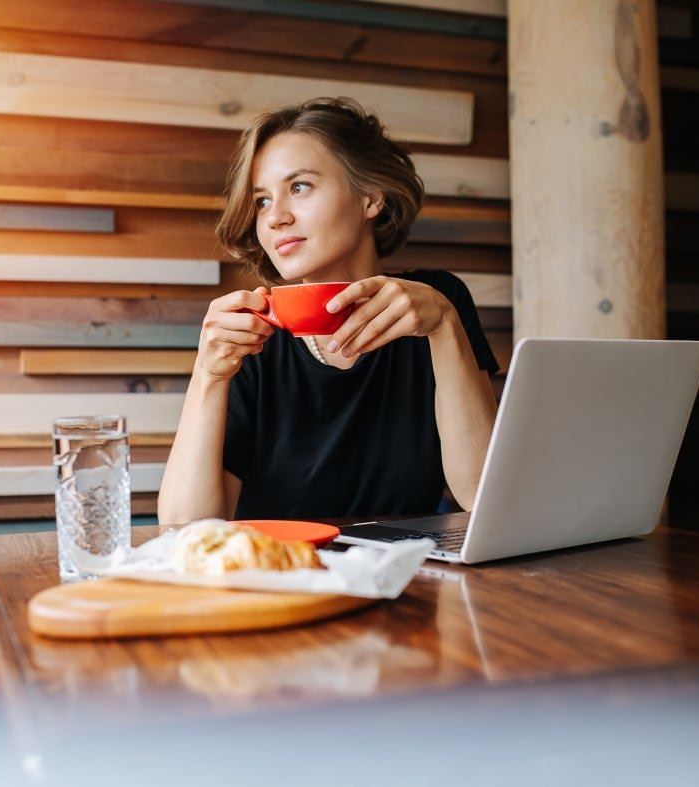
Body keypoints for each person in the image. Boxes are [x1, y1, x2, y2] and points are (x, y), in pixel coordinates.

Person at [157, 96, 499, 524]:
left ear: (371, 197)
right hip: (280, 580)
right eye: (262, 200)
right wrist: (208, 376)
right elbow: (185, 529)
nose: (275, 217)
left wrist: (446, 326)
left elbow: (482, 497)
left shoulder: (436, 305)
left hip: (403, 577)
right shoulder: (250, 334)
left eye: (298, 187)